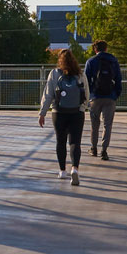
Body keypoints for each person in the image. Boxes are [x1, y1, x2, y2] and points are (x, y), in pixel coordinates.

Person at [37, 48, 88, 185]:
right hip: (77, 112)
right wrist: (83, 108)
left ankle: (62, 171)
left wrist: (42, 113)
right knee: (75, 142)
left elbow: (48, 95)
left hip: (58, 112)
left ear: (60, 60)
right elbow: (86, 94)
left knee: (61, 141)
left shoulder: (54, 74)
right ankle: (75, 169)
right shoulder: (80, 74)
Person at [85, 40, 122, 160]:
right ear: (106, 49)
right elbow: (118, 79)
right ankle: (104, 151)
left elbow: (86, 81)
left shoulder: (91, 61)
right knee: (107, 125)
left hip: (95, 97)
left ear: (95, 50)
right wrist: (115, 94)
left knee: (94, 124)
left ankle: (94, 148)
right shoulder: (113, 60)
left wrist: (89, 95)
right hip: (110, 97)